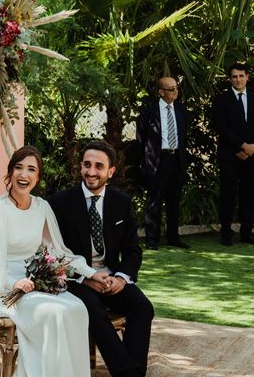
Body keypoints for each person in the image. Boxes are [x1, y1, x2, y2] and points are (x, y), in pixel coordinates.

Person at [0, 145, 111, 377]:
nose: (23, 175)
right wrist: (13, 283)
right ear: (10, 173)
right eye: (18, 168)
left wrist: (90, 273)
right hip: (4, 290)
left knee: (77, 308)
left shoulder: (42, 207)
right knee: (54, 313)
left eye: (30, 169)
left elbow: (58, 251)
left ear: (38, 177)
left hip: (34, 283)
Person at [48, 140, 154, 377]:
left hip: (112, 277)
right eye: (87, 165)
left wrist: (122, 278)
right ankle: (128, 373)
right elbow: (54, 252)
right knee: (93, 310)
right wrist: (86, 278)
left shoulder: (122, 203)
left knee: (143, 307)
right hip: (76, 281)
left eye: (98, 166)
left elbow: (132, 249)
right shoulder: (60, 203)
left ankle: (132, 371)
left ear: (111, 171)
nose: (91, 172)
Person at [136, 76, 189, 250]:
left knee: (175, 200)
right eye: (171, 89)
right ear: (161, 92)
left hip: (176, 159)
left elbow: (183, 135)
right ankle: (152, 239)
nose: (176, 91)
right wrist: (146, 160)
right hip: (158, 160)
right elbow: (141, 138)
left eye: (176, 88)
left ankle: (174, 237)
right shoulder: (149, 110)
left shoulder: (181, 109)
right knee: (155, 201)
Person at [211, 62, 254, 246]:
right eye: (234, 76)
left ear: (247, 77)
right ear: (230, 79)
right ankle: (226, 234)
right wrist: (241, 146)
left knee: (249, 194)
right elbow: (221, 127)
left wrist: (252, 147)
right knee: (227, 195)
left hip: (253, 155)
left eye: (241, 75)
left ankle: (247, 232)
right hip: (230, 155)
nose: (238, 79)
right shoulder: (221, 100)